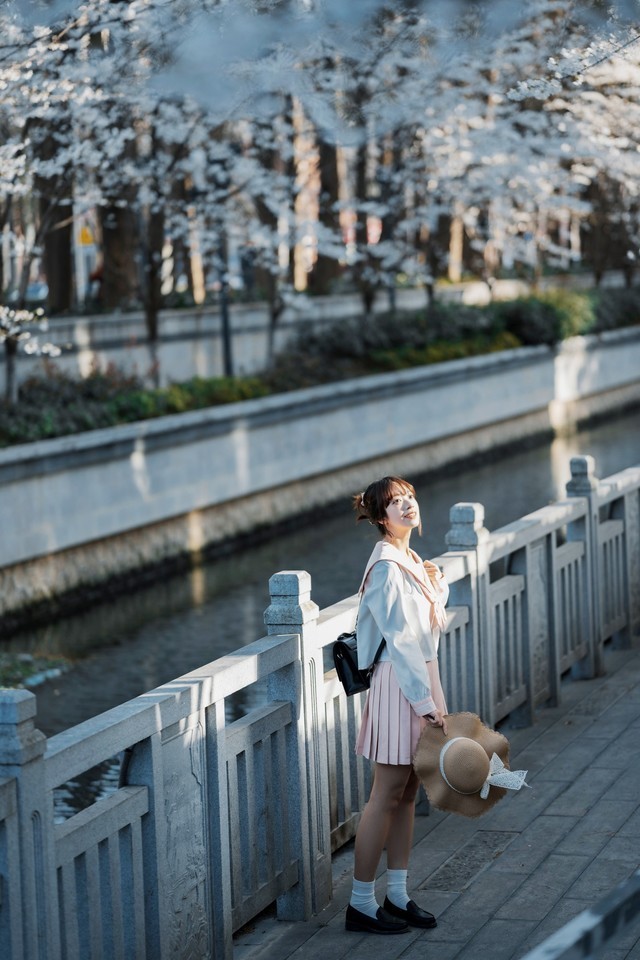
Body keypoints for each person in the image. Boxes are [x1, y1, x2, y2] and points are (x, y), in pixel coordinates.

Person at [345, 475, 449, 935]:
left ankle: (399, 894)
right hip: (399, 683)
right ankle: (360, 903)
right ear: (380, 516)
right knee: (385, 794)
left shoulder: (408, 559)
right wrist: (425, 702)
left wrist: (436, 582)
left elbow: (426, 626)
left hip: (419, 679)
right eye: (396, 502)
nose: (408, 506)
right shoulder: (387, 564)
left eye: (410, 498)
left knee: (407, 792)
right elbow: (401, 639)